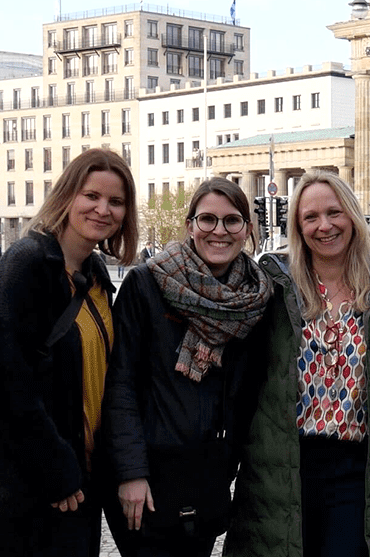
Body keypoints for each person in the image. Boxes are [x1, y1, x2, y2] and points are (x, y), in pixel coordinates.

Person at [0, 148, 139, 557]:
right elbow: (6, 382)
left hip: (79, 480)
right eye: (91, 196)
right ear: (68, 196)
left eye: (116, 202)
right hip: (30, 483)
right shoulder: (27, 263)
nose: (103, 209)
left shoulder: (95, 277)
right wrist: (54, 469)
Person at [225, 171, 370, 557]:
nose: (324, 226)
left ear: (352, 216)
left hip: (358, 468)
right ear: (297, 226)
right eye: (310, 217)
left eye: (334, 213)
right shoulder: (273, 286)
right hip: (285, 464)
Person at [104, 177, 273, 557]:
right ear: (190, 226)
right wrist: (131, 471)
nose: (219, 231)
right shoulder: (147, 284)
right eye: (207, 219)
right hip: (149, 476)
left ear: (247, 230)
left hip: (208, 478)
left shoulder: (255, 298)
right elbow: (120, 384)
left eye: (232, 221)